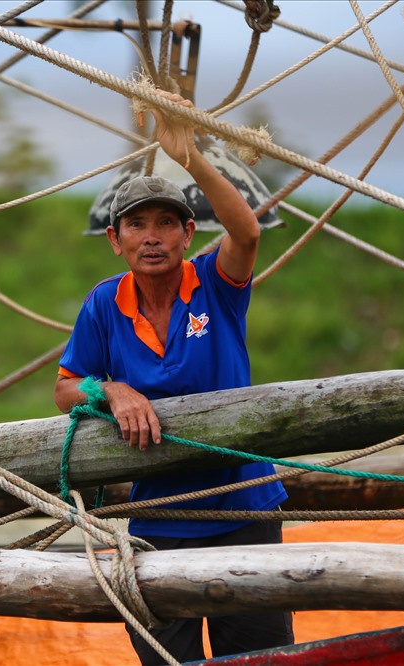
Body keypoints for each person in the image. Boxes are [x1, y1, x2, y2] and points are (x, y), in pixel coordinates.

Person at [53, 90, 294, 664]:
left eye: (167, 223)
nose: (152, 236)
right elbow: (66, 387)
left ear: (189, 235)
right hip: (156, 524)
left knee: (258, 658)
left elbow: (248, 234)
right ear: (116, 241)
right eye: (136, 225)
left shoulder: (214, 283)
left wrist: (189, 157)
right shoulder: (104, 304)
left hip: (242, 510)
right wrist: (111, 390)